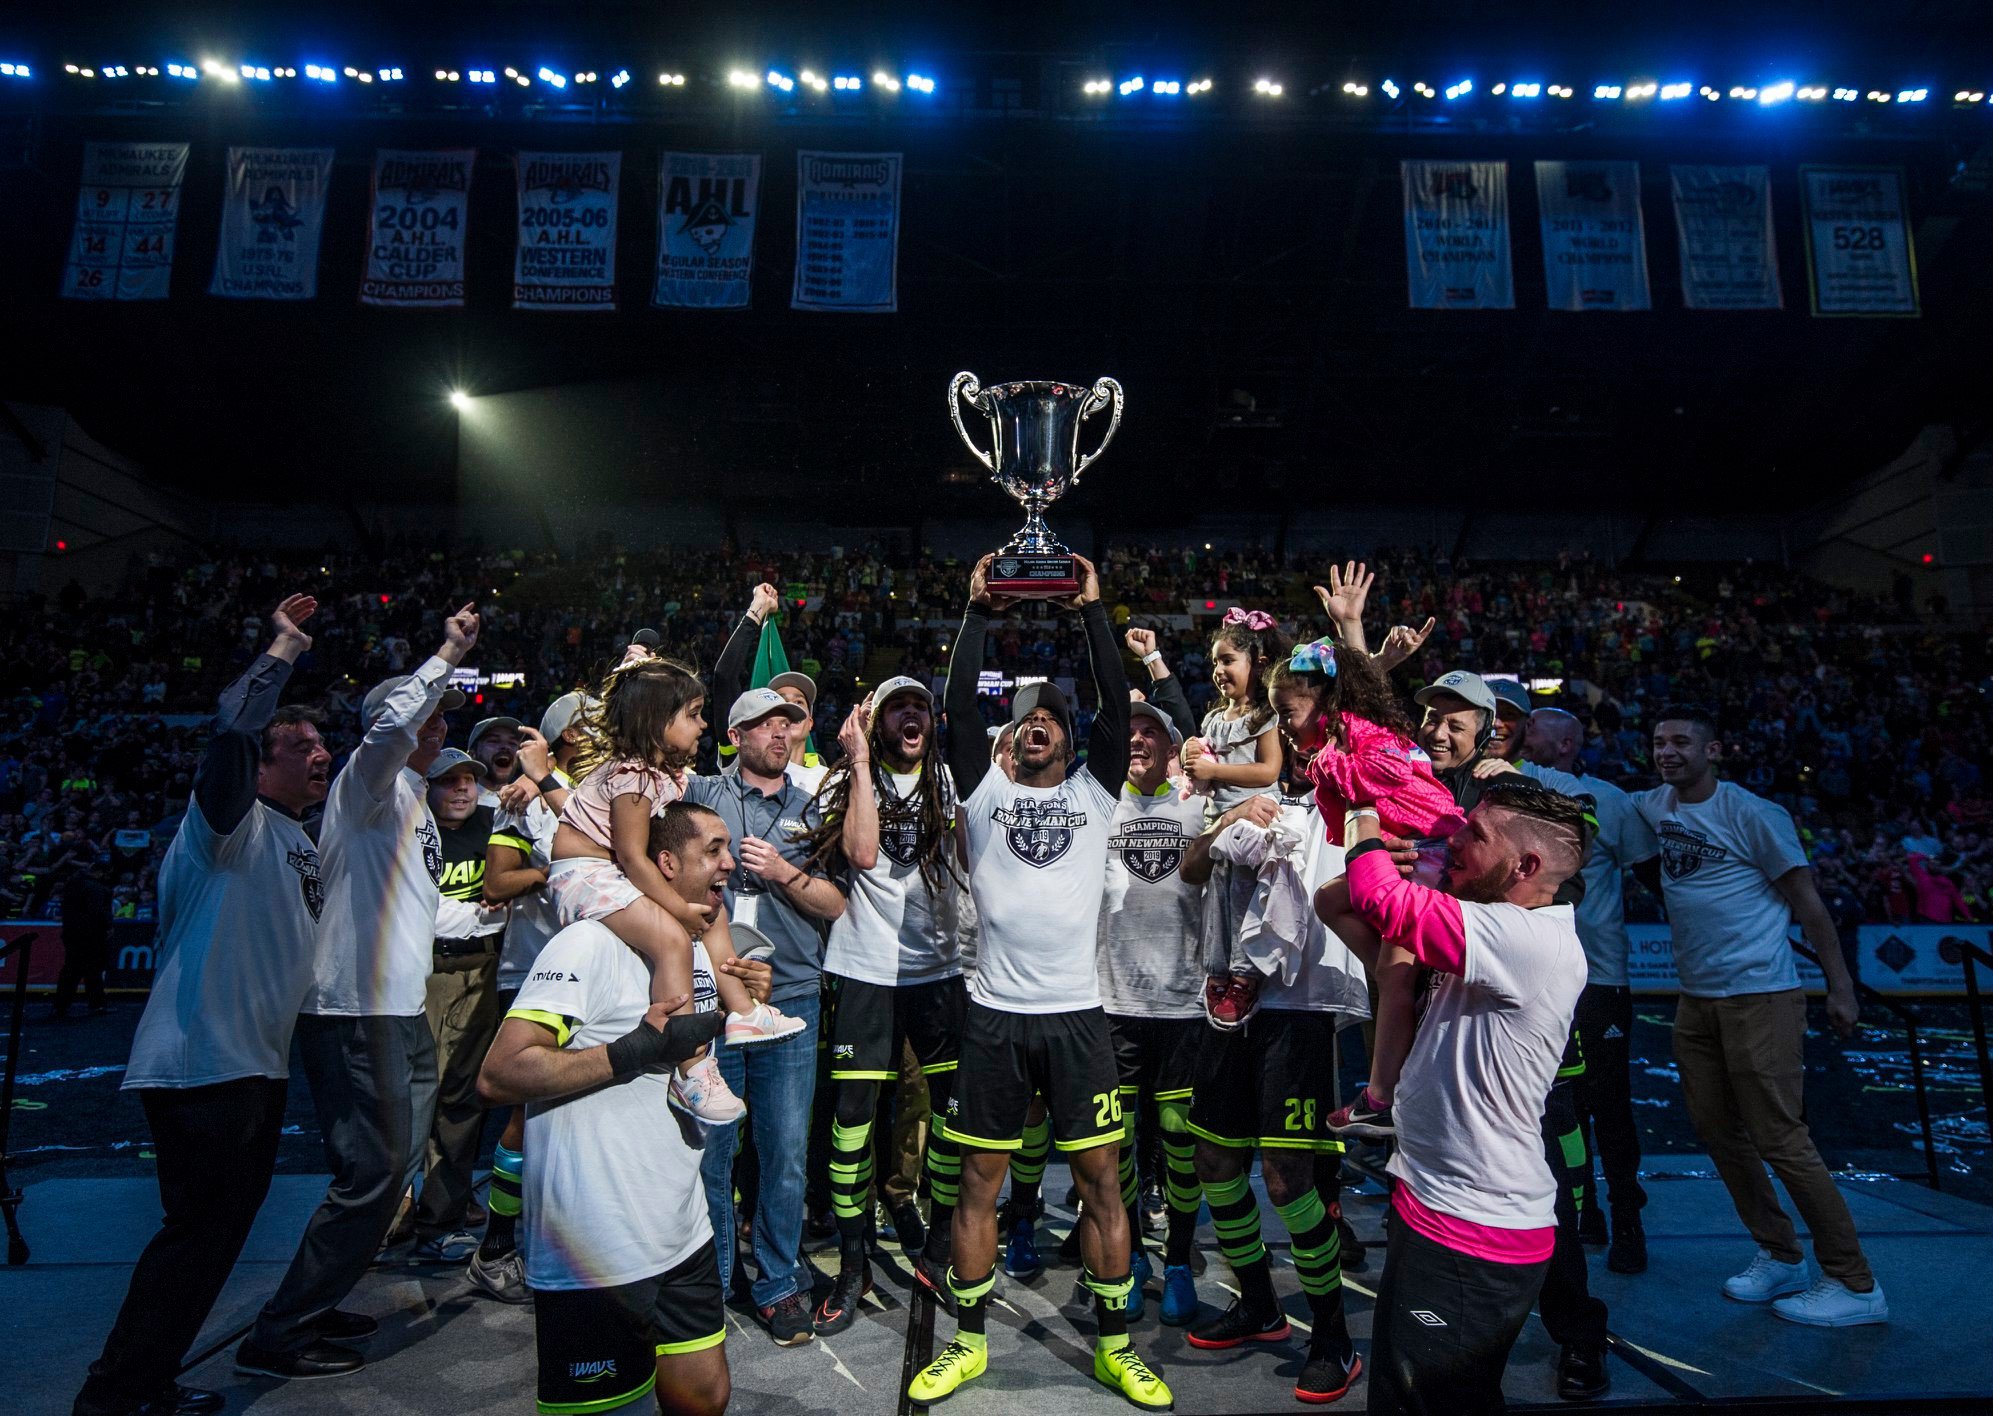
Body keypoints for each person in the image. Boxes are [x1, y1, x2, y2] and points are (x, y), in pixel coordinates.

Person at [912, 552, 1172, 1411]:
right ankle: (969, 1342)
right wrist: (976, 610)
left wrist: (1095, 613)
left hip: (1078, 1019)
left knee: (1103, 1181)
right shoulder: (981, 793)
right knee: (978, 1185)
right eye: (1025, 718)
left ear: (1069, 737)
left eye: (1052, 719)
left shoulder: (1099, 795)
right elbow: (952, 709)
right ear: (1005, 738)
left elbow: (1114, 705)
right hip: (992, 1016)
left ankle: (1112, 1347)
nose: (1039, 726)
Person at [74, 595, 329, 1416]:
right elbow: (230, 731)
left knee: (213, 1240)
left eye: (324, 741)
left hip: (251, 1065)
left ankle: (143, 1380)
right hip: (201, 1067)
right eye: (300, 745)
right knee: (192, 1240)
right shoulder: (231, 823)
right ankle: (116, 1393)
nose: (320, 754)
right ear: (260, 765)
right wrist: (282, 649)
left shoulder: (296, 833)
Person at [237, 602, 478, 1381]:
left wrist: (499, 906)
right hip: (355, 1008)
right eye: (430, 717)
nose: (441, 728)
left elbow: (417, 901)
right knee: (370, 1174)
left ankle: (319, 1294)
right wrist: (444, 652)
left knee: (390, 1168)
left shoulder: (409, 801)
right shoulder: (365, 784)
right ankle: (280, 1334)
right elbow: (389, 731)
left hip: (397, 1008)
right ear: (399, 727)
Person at [476, 803, 751, 1416]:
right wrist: (629, 1051)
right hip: (595, 1244)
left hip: (681, 1227)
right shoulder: (586, 943)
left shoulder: (693, 948)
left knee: (706, 1395)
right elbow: (498, 1075)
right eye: (714, 850)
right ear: (665, 863)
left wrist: (746, 998)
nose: (729, 863)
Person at [1344, 779, 1590, 1416]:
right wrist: (1424, 864)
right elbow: (1337, 901)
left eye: (1475, 835)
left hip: (1473, 1228)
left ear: (1525, 866)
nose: (1454, 838)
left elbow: (1382, 900)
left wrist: (1364, 807)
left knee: (1425, 1405)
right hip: (1439, 1201)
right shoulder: (1504, 929)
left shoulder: (1523, 939)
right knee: (1430, 1398)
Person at [1637, 707, 1886, 1327]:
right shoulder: (1653, 806)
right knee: (1716, 1129)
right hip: (1695, 999)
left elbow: (1810, 906)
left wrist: (1841, 988)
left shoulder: (1754, 814)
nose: (1667, 752)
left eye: (1681, 742)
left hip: (1762, 996)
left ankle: (1856, 1283)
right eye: (1659, 742)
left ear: (1713, 748)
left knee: (1781, 1138)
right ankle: (1780, 1254)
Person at [1179, 774, 1372, 1406]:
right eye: (1281, 712)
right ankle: (1260, 1306)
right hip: (1225, 997)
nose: (1290, 727)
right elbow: (1190, 867)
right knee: (1212, 1159)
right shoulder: (1241, 789)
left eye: (1300, 710)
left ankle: (1334, 1340)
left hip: (1300, 1007)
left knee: (1289, 1180)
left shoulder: (1351, 793)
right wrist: (1232, 811)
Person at [550, 648, 800, 1124]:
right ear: (656, 720)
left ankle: (743, 1012)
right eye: (692, 715)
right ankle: (691, 1068)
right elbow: (631, 857)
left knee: (713, 910)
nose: (702, 726)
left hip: (611, 868)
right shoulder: (634, 777)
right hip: (585, 874)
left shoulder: (659, 774)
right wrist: (678, 913)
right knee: (672, 941)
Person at [793, 676, 967, 1336]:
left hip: (937, 970)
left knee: (952, 1114)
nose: (910, 715)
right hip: (863, 967)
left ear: (933, 717)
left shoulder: (948, 782)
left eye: (918, 705)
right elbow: (862, 854)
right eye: (897, 707)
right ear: (877, 723)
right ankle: (853, 1264)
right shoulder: (843, 783)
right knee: (851, 1121)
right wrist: (860, 761)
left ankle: (940, 1247)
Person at [684, 688, 848, 1345]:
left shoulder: (813, 810)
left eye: (787, 723)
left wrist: (782, 871)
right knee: (710, 1149)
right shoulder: (698, 797)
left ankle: (778, 1284)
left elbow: (836, 904)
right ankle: (710, 1281)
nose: (778, 734)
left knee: (783, 1154)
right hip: (713, 997)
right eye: (761, 724)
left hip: (792, 995)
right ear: (732, 734)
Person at [1278, 642, 1463, 1142]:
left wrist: (1326, 765)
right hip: (1411, 849)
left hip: (1431, 848)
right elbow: (1346, 829)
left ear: (1325, 704)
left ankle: (1380, 1099)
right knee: (1329, 899)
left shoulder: (1363, 735)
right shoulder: (1344, 738)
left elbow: (1382, 776)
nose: (1282, 727)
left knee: (1391, 975)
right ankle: (1405, 978)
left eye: (1287, 714)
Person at [1522, 706, 1659, 1275]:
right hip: (1537, 973)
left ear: (1568, 741)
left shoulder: (1612, 800)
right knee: (1557, 1103)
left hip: (1600, 976)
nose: (1524, 735)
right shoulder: (1510, 787)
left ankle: (1627, 1216)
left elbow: (1656, 874)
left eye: (1535, 729)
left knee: (1609, 1102)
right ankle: (1583, 1213)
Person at [467, 690, 589, 1303]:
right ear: (564, 737)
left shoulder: (606, 792)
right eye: (588, 727)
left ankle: (556, 1237)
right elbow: (495, 881)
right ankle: (495, 1243)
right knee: (524, 1115)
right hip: (536, 968)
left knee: (581, 1110)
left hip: (596, 976)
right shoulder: (526, 797)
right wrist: (560, 870)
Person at [1098, 628, 1204, 1325]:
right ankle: (1132, 1251)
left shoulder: (1199, 802)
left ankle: (1179, 1261)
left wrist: (1157, 667)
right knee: (1122, 1143)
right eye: (1127, 731)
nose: (1136, 739)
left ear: (1173, 749)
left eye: (1150, 732)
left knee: (1181, 1141)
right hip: (1113, 1002)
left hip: (1186, 1003)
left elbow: (1195, 734)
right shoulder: (1095, 806)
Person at [408, 748, 505, 1261]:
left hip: (482, 969)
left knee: (462, 1098)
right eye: (449, 781)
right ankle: (402, 1210)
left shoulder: (494, 821)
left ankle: (440, 1216)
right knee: (413, 1096)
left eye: (470, 779)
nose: (463, 789)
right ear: (427, 787)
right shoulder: (412, 830)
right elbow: (430, 915)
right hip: (419, 971)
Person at [1183, 608, 1287, 1026]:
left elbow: (1268, 771)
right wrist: (1193, 763)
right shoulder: (1211, 719)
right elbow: (1205, 775)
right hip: (1218, 822)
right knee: (1217, 900)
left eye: (1228, 660)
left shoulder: (1265, 716)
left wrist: (1215, 771)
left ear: (1257, 663)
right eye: (1214, 663)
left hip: (1256, 821)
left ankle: (1245, 975)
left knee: (1246, 899)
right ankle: (1217, 970)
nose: (1219, 670)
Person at [710, 582, 827, 791]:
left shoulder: (829, 780)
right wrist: (757, 608)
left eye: (799, 702)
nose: (791, 708)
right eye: (781, 702)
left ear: (810, 722)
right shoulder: (746, 759)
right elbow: (724, 677)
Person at [52, 868, 113, 1018]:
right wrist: (108, 926)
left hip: (72, 933)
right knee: (93, 970)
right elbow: (98, 911)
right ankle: (97, 1004)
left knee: (70, 970)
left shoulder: (71, 888)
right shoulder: (97, 889)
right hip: (91, 934)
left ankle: (61, 1005)